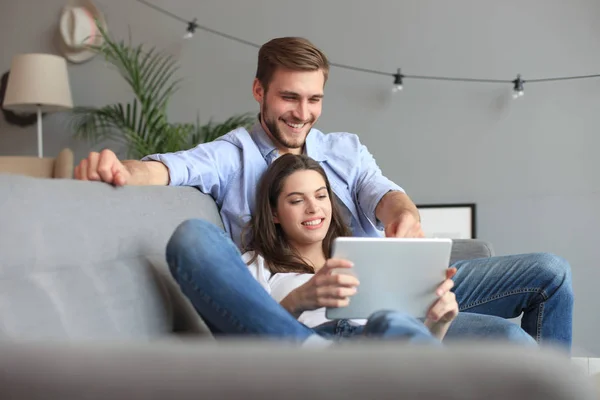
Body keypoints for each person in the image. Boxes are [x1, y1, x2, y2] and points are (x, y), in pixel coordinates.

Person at [74, 36, 572, 351]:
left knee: (550, 271)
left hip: (393, 293)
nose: (302, 112)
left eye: (314, 99)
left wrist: (404, 217)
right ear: (259, 92)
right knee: (502, 337)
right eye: (289, 97)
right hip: (318, 312)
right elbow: (170, 168)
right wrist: (120, 169)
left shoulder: (345, 150)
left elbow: (385, 193)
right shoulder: (233, 156)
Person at [167, 153, 461, 345]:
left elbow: (408, 338)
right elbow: (250, 326)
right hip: (304, 346)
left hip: (374, 351)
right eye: (296, 200)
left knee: (390, 320)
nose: (313, 208)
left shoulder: (363, 259)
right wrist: (298, 300)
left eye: (321, 196)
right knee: (193, 235)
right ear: (274, 214)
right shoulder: (255, 266)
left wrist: (437, 323)